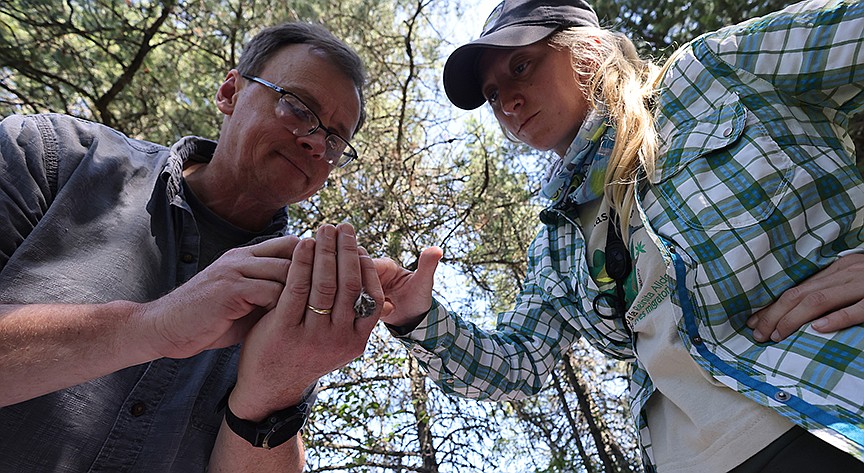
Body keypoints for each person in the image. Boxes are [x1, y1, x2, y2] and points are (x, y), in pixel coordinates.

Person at [374, 0, 864, 471]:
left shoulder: (713, 74)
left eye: (521, 67)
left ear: (586, 54)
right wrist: (416, 316)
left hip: (833, 408)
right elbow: (518, 364)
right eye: (494, 94)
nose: (508, 102)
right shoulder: (557, 242)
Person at [0, 22, 382, 472]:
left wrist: (277, 390)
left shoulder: (300, 300)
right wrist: (153, 326)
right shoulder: (53, 153)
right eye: (298, 106)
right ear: (229, 93)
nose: (316, 142)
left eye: (336, 139)